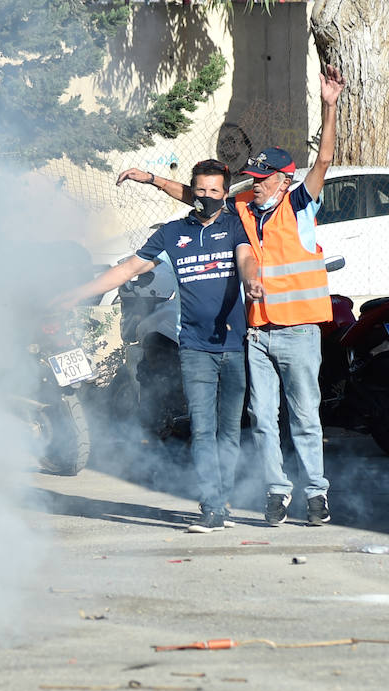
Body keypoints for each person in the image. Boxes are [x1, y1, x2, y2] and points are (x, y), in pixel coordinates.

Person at [116, 65, 346, 527]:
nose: (255, 181)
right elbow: (199, 197)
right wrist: (152, 180)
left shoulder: (301, 204)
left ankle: (316, 493)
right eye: (253, 175)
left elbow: (322, 162)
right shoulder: (241, 210)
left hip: (299, 331)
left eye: (263, 177)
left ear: (285, 179)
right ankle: (278, 491)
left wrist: (328, 104)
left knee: (304, 417)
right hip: (258, 335)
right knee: (262, 419)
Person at [51, 159, 259, 532]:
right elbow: (128, 269)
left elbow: (246, 257)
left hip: (232, 344)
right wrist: (75, 294)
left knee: (229, 430)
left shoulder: (235, 224)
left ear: (224, 194)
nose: (207, 198)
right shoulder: (173, 233)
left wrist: (252, 281)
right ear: (192, 192)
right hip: (193, 346)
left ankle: (222, 500)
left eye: (215, 192)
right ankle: (211, 505)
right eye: (200, 191)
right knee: (202, 428)